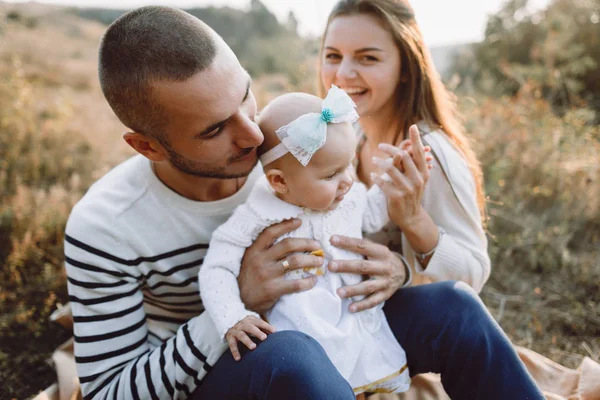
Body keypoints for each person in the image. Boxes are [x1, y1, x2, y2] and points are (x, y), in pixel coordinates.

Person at [63, 4, 543, 400]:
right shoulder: (105, 228)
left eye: (246, 97)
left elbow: (352, 214)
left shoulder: (284, 150)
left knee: (454, 309)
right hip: (222, 374)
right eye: (214, 129)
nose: (252, 137)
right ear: (147, 146)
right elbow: (108, 393)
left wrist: (400, 267)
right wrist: (235, 307)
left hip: (330, 321)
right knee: (292, 356)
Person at [315, 0, 545, 398]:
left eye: (367, 58)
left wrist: (415, 221)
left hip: (413, 327)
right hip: (345, 324)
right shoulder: (347, 142)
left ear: (406, 67)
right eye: (333, 55)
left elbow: (473, 273)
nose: (344, 73)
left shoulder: (427, 153)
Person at [200, 87, 427, 394]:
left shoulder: (345, 196)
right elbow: (216, 268)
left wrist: (393, 179)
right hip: (298, 333)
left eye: (348, 165)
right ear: (279, 182)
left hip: (350, 320)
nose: (348, 179)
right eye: (332, 174)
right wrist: (233, 316)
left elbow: (372, 214)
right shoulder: (260, 213)